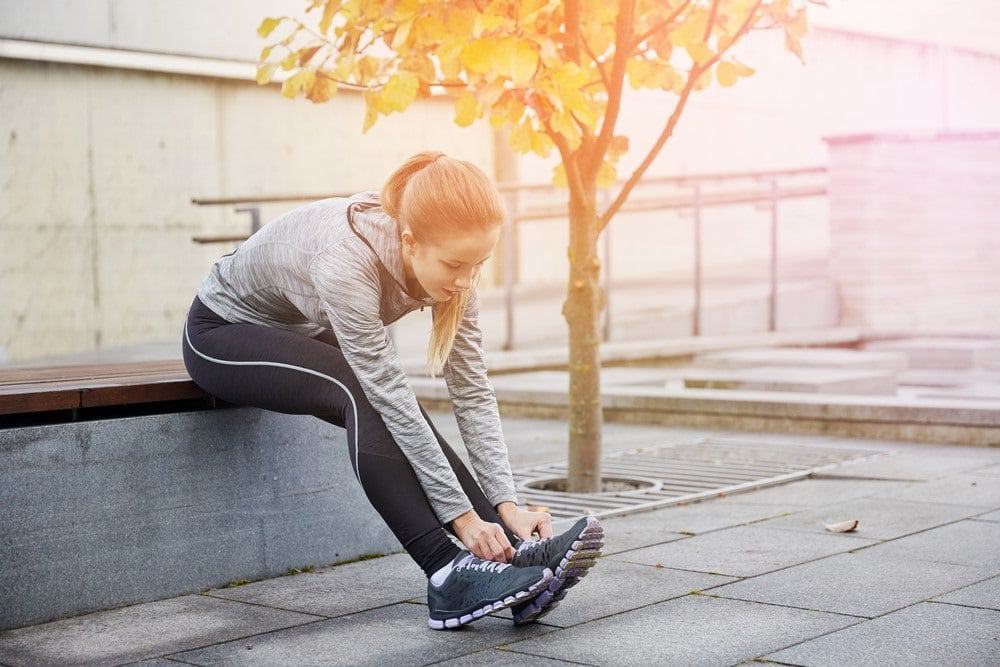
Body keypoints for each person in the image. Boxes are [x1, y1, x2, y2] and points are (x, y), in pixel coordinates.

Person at [181, 150, 604, 630]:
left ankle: (512, 552)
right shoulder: (346, 260)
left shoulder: (455, 265)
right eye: (454, 265)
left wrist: (505, 502)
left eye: (479, 263)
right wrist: (463, 519)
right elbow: (386, 391)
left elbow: (471, 388)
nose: (466, 280)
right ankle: (446, 574)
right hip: (220, 333)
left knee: (394, 400)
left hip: (294, 330)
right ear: (409, 242)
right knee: (362, 390)